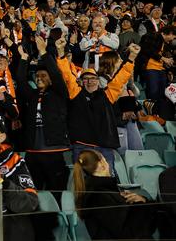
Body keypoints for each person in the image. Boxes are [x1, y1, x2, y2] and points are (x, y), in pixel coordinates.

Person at [56, 37, 140, 171]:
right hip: (82, 146)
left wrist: (132, 57)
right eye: (86, 79)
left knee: (106, 181)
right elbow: (67, 75)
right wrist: (61, 53)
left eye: (93, 78)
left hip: (104, 146)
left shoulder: (107, 94)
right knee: (83, 183)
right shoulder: (75, 93)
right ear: (81, 81)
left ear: (97, 79)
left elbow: (121, 77)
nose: (90, 81)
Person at [16, 37, 70, 194]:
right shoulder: (32, 95)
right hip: (33, 152)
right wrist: (24, 59)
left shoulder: (59, 92)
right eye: (37, 75)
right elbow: (20, 80)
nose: (39, 77)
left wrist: (44, 52)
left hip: (54, 151)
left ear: (51, 80)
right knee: (34, 192)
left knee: (57, 192)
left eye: (43, 76)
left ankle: (61, 218)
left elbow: (55, 73)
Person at [73, 149, 159, 239]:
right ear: (102, 164)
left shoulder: (98, 193)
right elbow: (129, 233)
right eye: (105, 160)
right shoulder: (101, 197)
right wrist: (141, 204)